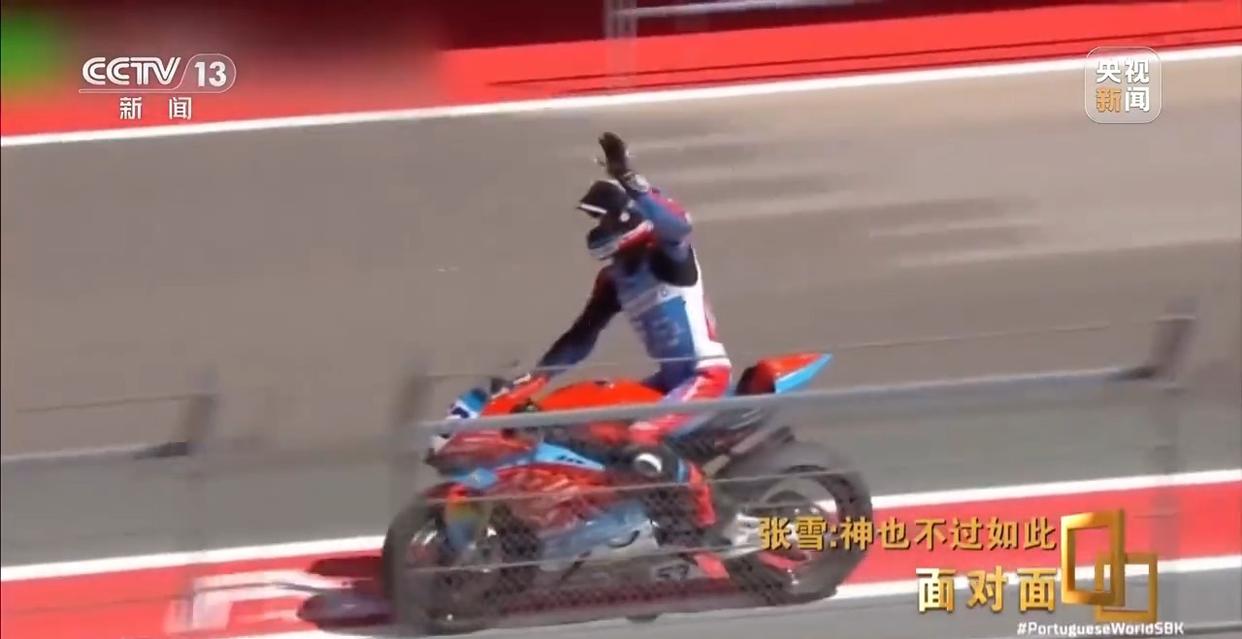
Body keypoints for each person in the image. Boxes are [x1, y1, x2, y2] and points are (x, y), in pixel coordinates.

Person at [499, 132, 736, 551]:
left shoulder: (667, 258)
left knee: (640, 438)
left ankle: (709, 523)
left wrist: (629, 178)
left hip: (704, 377)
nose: (600, 230)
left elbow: (679, 225)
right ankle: (633, 517)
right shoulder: (614, 278)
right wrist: (535, 380)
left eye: (606, 221)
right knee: (597, 427)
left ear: (630, 219)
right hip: (669, 381)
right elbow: (582, 335)